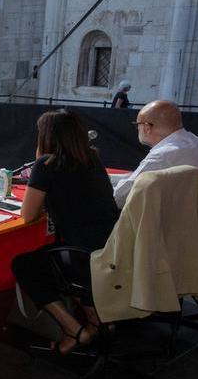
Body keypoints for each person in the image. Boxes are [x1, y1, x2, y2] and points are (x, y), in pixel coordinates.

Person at [10, 109, 120, 354]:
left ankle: (74, 330)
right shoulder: (92, 159)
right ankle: (98, 322)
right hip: (112, 249)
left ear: (47, 136)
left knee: (25, 264)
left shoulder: (46, 164)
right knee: (58, 261)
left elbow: (27, 215)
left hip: (83, 257)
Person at [112, 99, 198, 207]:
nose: (137, 129)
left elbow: (119, 198)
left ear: (147, 128)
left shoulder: (162, 155)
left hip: (170, 218)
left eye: (137, 125)